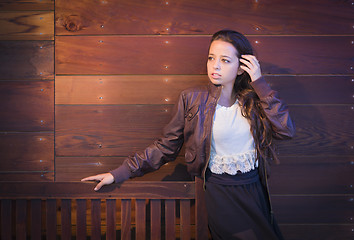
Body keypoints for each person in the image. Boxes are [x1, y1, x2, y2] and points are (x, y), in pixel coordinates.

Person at [82, 29, 295, 240]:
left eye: (225, 60)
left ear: (242, 68)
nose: (216, 66)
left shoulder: (255, 101)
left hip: (254, 192)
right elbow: (165, 147)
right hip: (218, 193)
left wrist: (259, 83)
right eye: (211, 58)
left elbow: (285, 131)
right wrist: (120, 173)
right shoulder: (192, 100)